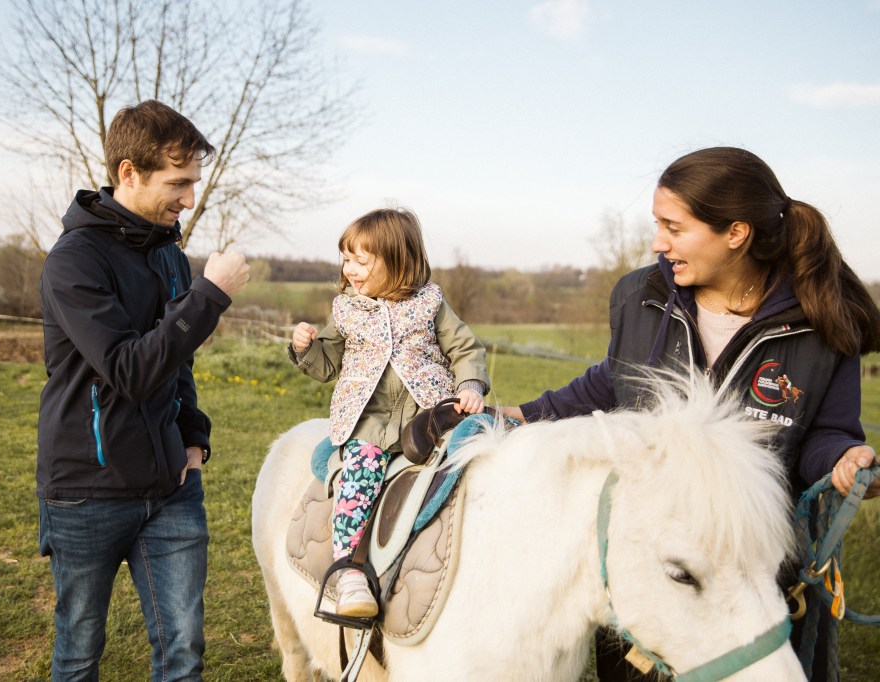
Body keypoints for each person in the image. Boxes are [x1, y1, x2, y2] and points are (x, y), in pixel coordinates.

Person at [500, 146, 880, 681]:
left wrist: (843, 459)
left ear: (736, 233)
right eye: (658, 225)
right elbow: (613, 381)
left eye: (673, 227)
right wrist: (519, 415)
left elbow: (824, 433)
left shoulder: (822, 317)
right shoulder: (639, 295)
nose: (659, 243)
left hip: (752, 575)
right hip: (651, 563)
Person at [37, 99, 250, 680]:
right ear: (129, 172)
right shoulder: (73, 262)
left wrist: (193, 437)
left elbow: (177, 364)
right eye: (179, 183)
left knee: (183, 651)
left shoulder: (169, 256)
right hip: (87, 490)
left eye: (194, 183)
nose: (190, 199)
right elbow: (128, 370)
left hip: (173, 488)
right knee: (79, 651)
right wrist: (210, 295)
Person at [289, 207, 490, 618]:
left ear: (398, 262)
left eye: (361, 261)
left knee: (474, 460)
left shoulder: (430, 303)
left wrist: (470, 385)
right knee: (360, 477)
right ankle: (349, 572)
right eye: (347, 259)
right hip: (371, 421)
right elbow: (326, 365)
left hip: (429, 414)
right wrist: (305, 347)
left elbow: (464, 347)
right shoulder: (347, 310)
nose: (350, 269)